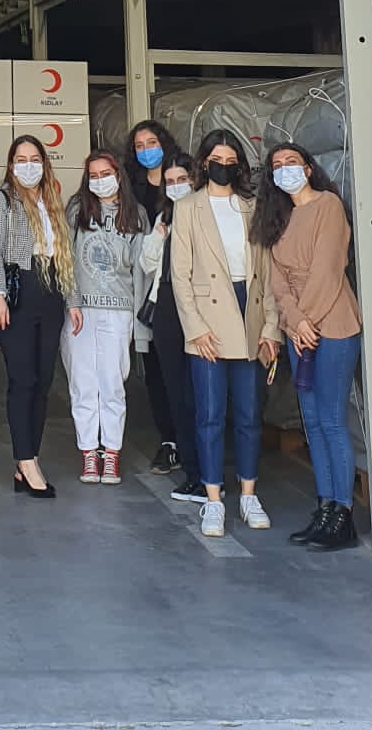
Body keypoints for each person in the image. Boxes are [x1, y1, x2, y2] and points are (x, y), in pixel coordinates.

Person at [169, 127, 281, 538]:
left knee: (250, 414)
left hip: (250, 313)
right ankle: (213, 498)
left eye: (231, 162)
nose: (224, 167)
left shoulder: (252, 207)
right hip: (209, 321)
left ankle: (249, 494)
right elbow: (180, 275)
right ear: (204, 163)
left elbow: (268, 272)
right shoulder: (188, 208)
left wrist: (272, 327)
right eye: (217, 161)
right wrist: (195, 328)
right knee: (210, 415)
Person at [256, 140, 362, 552]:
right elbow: (277, 279)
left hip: (331, 323)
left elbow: (327, 271)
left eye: (292, 162)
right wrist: (295, 321)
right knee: (312, 422)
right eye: (277, 165)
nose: (285, 169)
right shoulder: (278, 217)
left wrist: (307, 321)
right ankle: (324, 507)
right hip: (299, 327)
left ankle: (343, 514)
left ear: (308, 168)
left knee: (332, 420)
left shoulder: (328, 206)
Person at [0, 134, 82, 499]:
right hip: (18, 293)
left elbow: (65, 255)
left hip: (51, 291)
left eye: (35, 159)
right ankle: (26, 460)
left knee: (42, 382)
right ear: (11, 166)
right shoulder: (2, 201)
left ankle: (28, 459)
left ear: (44, 163)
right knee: (22, 379)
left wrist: (72, 300)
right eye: (21, 160)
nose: (29, 166)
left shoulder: (52, 201)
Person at [63, 147, 146, 484]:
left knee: (112, 384)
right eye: (93, 176)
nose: (100, 181)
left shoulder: (135, 214)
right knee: (82, 383)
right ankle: (88, 452)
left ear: (118, 175)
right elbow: (65, 257)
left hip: (119, 309)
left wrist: (138, 319)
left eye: (105, 174)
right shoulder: (77, 209)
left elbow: (140, 269)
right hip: (80, 309)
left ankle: (111, 453)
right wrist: (71, 301)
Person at [136, 152, 206, 505]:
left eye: (183, 180)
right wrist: (159, 238)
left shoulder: (205, 214)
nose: (177, 187)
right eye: (171, 182)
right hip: (166, 308)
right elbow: (147, 263)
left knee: (202, 392)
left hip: (200, 307)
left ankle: (208, 473)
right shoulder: (163, 217)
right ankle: (192, 472)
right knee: (176, 391)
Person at [125, 117, 185, 474]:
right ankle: (169, 441)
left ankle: (192, 440)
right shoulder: (132, 190)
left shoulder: (182, 181)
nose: (146, 150)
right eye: (139, 146)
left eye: (152, 143)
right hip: (148, 287)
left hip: (185, 287)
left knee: (187, 369)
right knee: (157, 370)